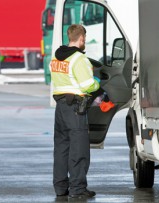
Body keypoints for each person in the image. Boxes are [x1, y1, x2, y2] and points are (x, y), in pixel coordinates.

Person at [49, 24, 100, 199]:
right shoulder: (79, 59)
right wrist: (98, 83)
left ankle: (60, 187)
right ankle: (78, 190)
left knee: (62, 148)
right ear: (82, 38)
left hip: (61, 107)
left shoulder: (57, 58)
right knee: (79, 149)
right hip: (75, 109)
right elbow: (88, 85)